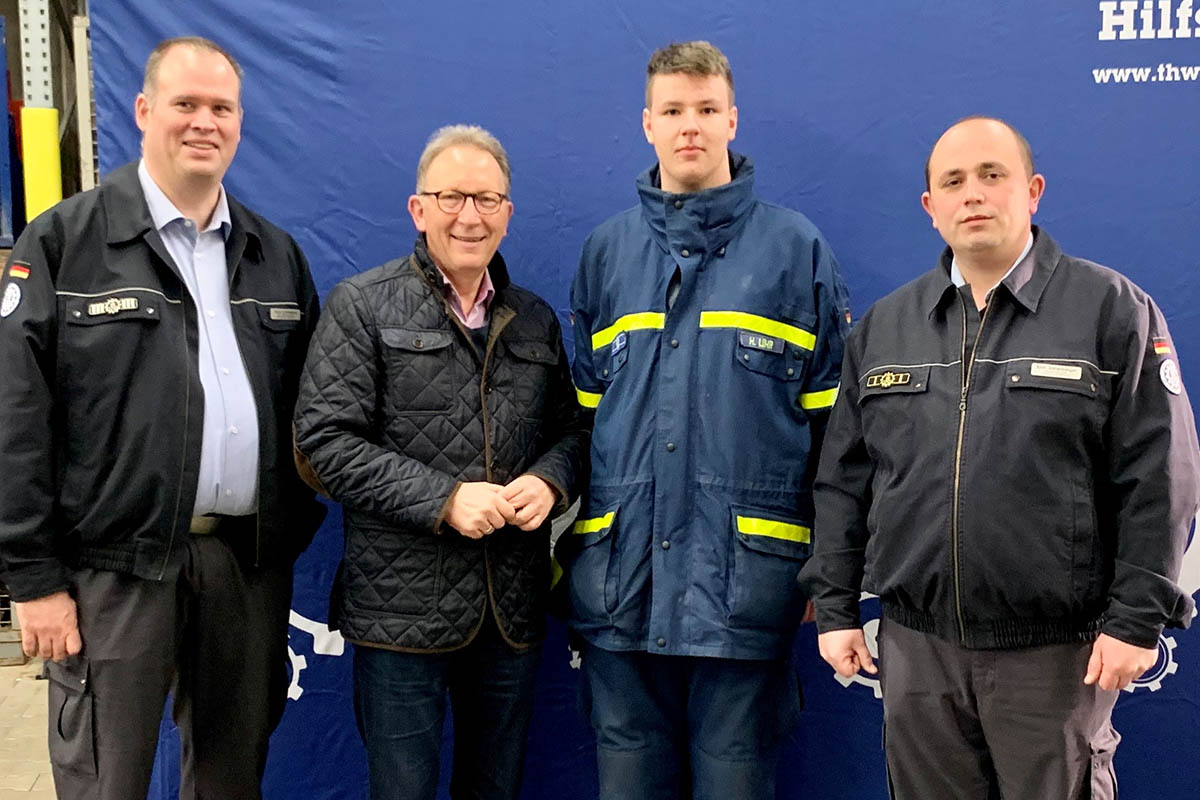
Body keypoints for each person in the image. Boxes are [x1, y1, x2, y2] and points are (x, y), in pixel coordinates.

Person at [799, 116, 1200, 799]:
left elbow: (1161, 477)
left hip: (1055, 655)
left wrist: (1137, 619)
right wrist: (835, 608)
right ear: (930, 207)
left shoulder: (1109, 310)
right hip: (917, 652)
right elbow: (843, 483)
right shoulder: (886, 328)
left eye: (993, 175)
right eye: (952, 182)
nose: (973, 194)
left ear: (1033, 190)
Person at [0, 36, 325, 799]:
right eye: (186, 104)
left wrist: (285, 529)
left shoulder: (273, 255)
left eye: (221, 107)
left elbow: (315, 411)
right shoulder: (62, 245)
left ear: (240, 122)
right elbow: (17, 420)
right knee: (106, 780)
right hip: (113, 571)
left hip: (241, 568)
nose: (203, 122)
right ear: (145, 111)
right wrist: (34, 579)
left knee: (230, 775)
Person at [564, 41, 850, 799]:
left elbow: (836, 443)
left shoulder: (796, 251)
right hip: (620, 594)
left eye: (705, 110)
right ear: (647, 124)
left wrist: (832, 567)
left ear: (732, 120)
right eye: (672, 111)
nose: (689, 126)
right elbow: (583, 430)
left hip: (745, 595)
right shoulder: (605, 256)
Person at [292, 124, 587, 800]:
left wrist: (552, 479)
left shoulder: (535, 320)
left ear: (508, 215)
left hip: (508, 611)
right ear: (418, 209)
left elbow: (574, 433)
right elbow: (324, 444)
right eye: (451, 196)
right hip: (399, 618)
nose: (469, 216)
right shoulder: (361, 306)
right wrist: (445, 499)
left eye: (487, 199)